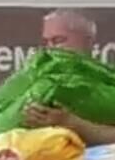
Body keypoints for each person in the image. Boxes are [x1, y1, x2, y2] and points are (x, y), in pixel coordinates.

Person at [26, 9, 115, 143]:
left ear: (87, 41)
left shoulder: (107, 86)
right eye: (46, 42)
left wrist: (71, 123)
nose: (51, 49)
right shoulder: (40, 80)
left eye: (58, 40)